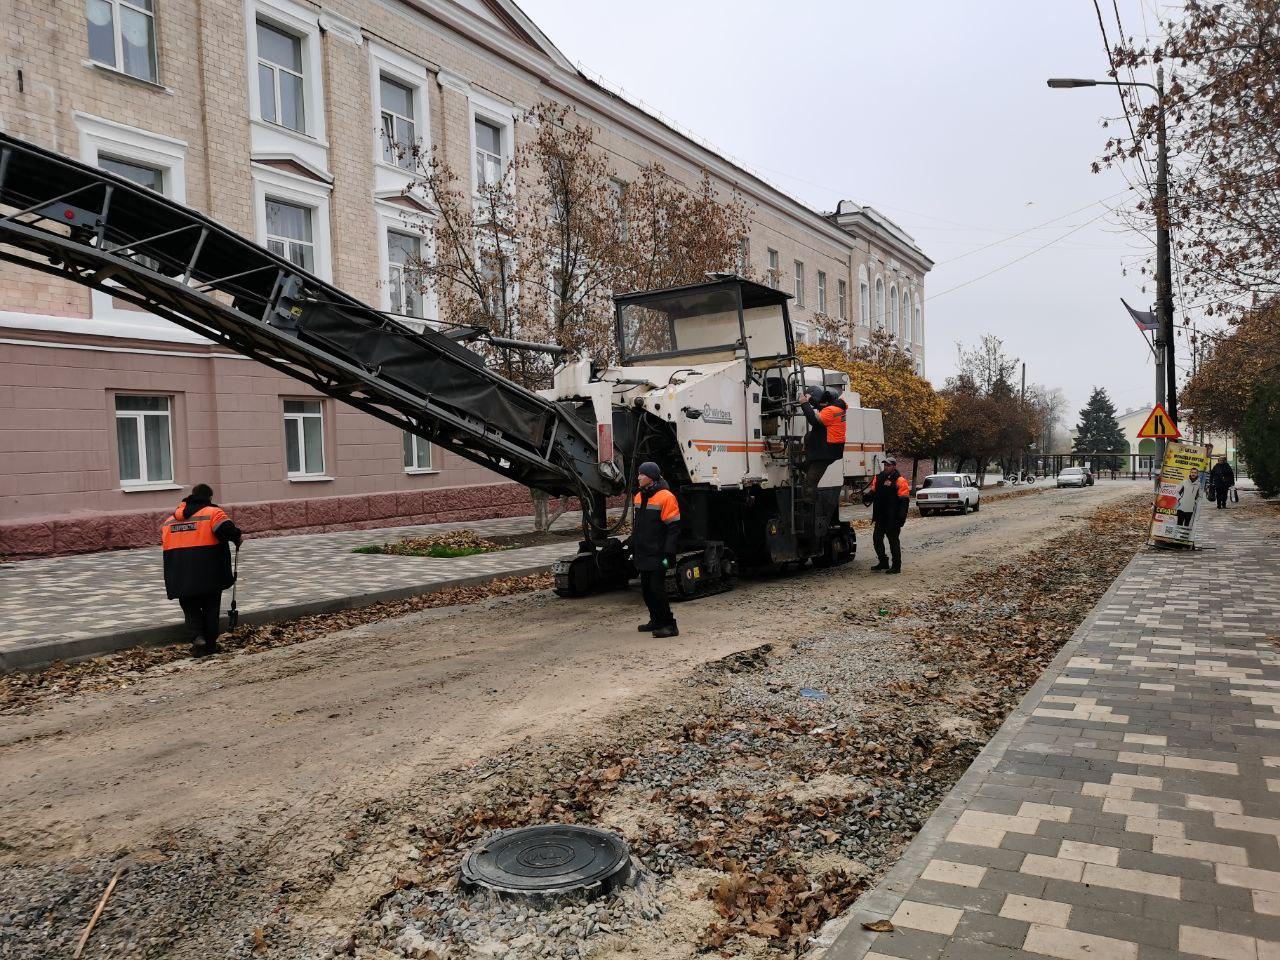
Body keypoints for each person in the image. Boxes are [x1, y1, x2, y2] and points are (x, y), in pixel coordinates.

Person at [161, 483, 242, 655]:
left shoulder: (170, 521)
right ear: (210, 498)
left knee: (189, 605)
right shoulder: (213, 513)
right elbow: (228, 530)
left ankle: (197, 637)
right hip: (208, 570)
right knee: (211, 605)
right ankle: (210, 644)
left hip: (180, 573)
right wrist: (237, 538)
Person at [629, 461, 681, 638]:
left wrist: (669, 551)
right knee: (646, 589)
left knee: (657, 589)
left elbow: (673, 528)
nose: (638, 477)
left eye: (641, 474)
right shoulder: (639, 496)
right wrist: (633, 543)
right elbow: (638, 526)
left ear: (650, 477)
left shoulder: (666, 497)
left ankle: (669, 625)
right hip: (643, 552)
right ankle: (656, 620)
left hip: (659, 553)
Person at [862, 457, 911, 573]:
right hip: (880, 516)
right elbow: (873, 491)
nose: (886, 467)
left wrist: (901, 517)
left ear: (894, 466)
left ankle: (896, 566)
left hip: (893, 517)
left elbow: (904, 501)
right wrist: (867, 496)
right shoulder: (878, 478)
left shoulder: (900, 480)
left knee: (893, 541)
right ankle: (883, 562)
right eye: (885, 465)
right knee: (877, 539)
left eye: (889, 465)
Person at [799, 388, 848, 499]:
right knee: (809, 437)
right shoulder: (837, 407)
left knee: (810, 481)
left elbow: (814, 420)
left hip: (827, 451)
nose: (820, 404)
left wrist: (804, 404)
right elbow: (823, 408)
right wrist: (811, 401)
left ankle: (809, 502)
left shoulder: (831, 410)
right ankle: (807, 465)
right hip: (832, 449)